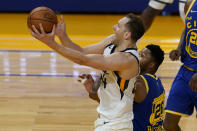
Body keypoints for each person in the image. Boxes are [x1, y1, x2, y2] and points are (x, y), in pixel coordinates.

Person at [29, 13, 145, 131]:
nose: (114, 27)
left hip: (117, 125)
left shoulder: (127, 59)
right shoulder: (112, 41)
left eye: (119, 26)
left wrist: (50, 43)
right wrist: (62, 35)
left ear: (126, 35)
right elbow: (82, 52)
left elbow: (82, 60)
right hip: (105, 120)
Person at [79, 44, 165, 131]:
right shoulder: (157, 82)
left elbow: (98, 94)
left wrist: (106, 67)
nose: (136, 58)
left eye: (141, 56)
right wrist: (93, 90)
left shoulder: (138, 82)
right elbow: (115, 105)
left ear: (151, 65)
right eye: (138, 54)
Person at [163, 0, 197, 130]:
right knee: (168, 124)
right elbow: (187, 29)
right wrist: (179, 48)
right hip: (185, 74)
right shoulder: (190, 3)